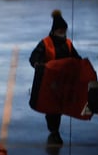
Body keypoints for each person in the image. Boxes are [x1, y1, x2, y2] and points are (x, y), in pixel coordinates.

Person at [29, 9, 80, 146]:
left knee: (60, 107)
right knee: (53, 109)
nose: (63, 34)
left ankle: (54, 127)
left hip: (63, 83)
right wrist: (39, 65)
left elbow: (76, 59)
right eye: (60, 31)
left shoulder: (68, 43)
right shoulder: (45, 44)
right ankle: (54, 130)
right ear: (54, 31)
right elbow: (34, 58)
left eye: (64, 31)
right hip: (50, 84)